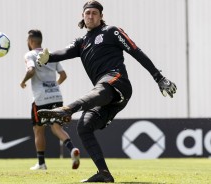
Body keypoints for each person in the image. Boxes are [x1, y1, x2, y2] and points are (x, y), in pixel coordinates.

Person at [36, 0, 177, 182]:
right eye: (87, 13)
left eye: (95, 13)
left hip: (118, 82)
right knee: (84, 127)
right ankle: (104, 173)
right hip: (106, 97)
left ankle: (66, 110)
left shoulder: (111, 32)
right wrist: (47, 58)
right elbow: (63, 52)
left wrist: (159, 77)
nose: (91, 16)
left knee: (101, 88)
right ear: (83, 16)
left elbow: (136, 51)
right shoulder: (82, 42)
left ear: (101, 16)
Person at [20, 29, 80, 170]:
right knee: (56, 127)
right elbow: (63, 75)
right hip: (56, 96)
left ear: (31, 41)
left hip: (41, 99)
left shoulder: (29, 55)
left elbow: (31, 70)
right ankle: (72, 149)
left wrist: (23, 81)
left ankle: (41, 163)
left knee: (38, 130)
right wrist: (53, 86)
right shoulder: (50, 55)